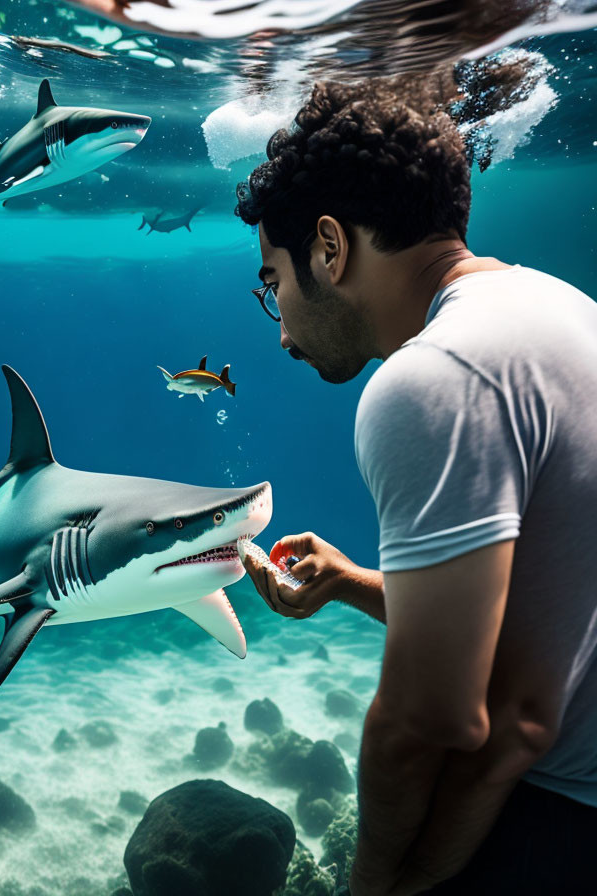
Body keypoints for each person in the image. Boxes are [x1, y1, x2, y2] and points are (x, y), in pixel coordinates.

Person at [236, 80, 597, 895]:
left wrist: (373, 886)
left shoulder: (429, 381)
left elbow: (437, 720)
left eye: (272, 283)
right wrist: (357, 585)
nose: (282, 323)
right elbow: (548, 612)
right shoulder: (561, 309)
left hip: (559, 825)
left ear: (329, 248)